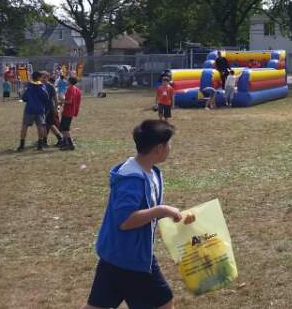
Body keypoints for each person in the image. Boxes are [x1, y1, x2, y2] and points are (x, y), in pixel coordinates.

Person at [83, 120, 196, 309]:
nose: (170, 148)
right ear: (159, 148)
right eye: (169, 144)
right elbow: (125, 221)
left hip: (116, 255)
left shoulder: (149, 172)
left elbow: (146, 208)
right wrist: (161, 210)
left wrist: (171, 214)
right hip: (131, 258)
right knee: (163, 302)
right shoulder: (131, 179)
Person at [16, 71, 51, 152]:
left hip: (29, 109)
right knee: (40, 127)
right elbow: (46, 98)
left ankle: (21, 145)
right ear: (39, 77)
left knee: (25, 126)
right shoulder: (43, 87)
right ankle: (40, 145)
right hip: (40, 110)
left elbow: (24, 98)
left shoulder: (29, 87)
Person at [59, 76, 81, 151]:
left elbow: (69, 101)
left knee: (65, 129)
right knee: (63, 128)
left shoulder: (70, 89)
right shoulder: (75, 88)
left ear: (70, 81)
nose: (66, 81)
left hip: (68, 111)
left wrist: (60, 101)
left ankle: (70, 144)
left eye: (67, 80)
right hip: (70, 111)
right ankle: (65, 142)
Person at [43, 72, 63, 147]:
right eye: (41, 77)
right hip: (43, 108)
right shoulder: (41, 85)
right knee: (47, 125)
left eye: (44, 77)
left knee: (50, 124)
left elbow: (55, 98)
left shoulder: (50, 86)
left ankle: (60, 138)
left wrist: (55, 108)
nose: (43, 79)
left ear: (48, 78)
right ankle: (45, 141)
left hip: (49, 108)